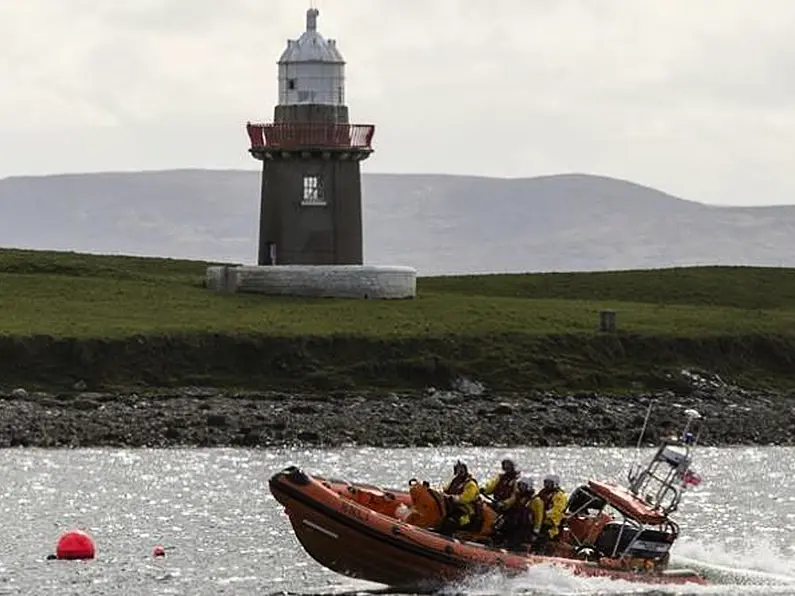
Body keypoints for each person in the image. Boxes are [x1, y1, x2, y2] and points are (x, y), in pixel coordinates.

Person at [493, 475, 544, 550]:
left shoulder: (536, 501)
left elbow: (538, 518)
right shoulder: (517, 496)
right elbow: (509, 502)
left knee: (515, 539)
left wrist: (535, 532)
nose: (521, 487)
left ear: (528, 486)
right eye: (520, 485)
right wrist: (502, 504)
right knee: (498, 530)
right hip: (513, 523)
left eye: (523, 485)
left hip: (525, 527)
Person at [439, 460, 481, 534]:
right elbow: (445, 490)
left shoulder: (471, 484)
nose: (460, 472)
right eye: (458, 470)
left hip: (467, 513)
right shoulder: (455, 481)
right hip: (453, 509)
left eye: (461, 469)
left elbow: (465, 498)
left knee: (450, 522)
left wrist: (452, 498)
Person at [532, 473, 568, 554]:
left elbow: (556, 510)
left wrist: (544, 515)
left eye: (549, 483)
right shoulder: (542, 493)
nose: (547, 485)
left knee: (542, 538)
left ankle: (539, 555)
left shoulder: (560, 496)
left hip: (551, 525)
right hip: (538, 522)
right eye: (546, 483)